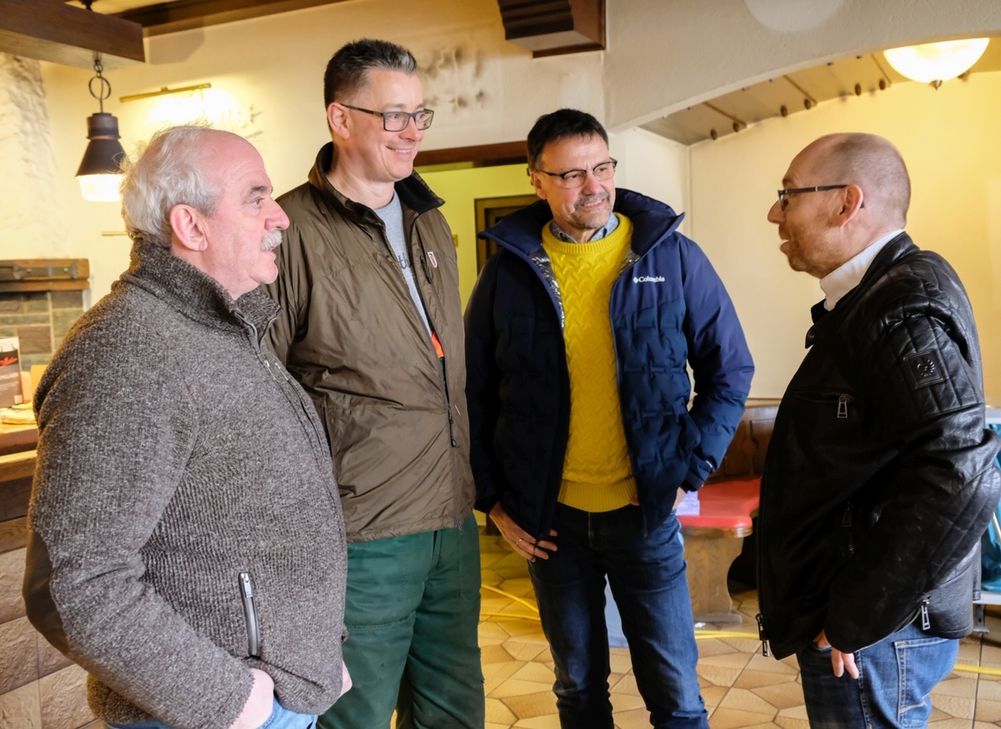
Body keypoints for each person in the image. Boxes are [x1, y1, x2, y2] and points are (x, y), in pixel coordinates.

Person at [22, 126, 349, 729]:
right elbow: (75, 584)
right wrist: (236, 701)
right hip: (209, 713)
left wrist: (312, 649)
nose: (280, 216)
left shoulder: (219, 328)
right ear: (191, 226)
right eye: (255, 197)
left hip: (277, 696)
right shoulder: (125, 351)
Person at [464, 108, 754, 729]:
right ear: (536, 181)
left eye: (602, 167)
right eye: (571, 174)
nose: (593, 186)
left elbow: (730, 370)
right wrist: (494, 502)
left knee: (677, 697)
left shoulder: (673, 256)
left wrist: (689, 468)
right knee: (577, 689)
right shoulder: (506, 273)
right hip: (551, 523)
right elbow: (472, 394)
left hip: (642, 512)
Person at [264, 39, 482, 729]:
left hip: (452, 519)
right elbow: (259, 391)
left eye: (420, 114)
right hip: (361, 535)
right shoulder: (288, 231)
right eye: (394, 116)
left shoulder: (429, 219)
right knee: (352, 716)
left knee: (455, 711)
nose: (412, 131)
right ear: (340, 118)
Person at [758, 132, 1001, 727]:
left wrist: (857, 615)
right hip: (871, 619)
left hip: (875, 633)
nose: (774, 213)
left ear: (847, 202)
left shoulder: (900, 304)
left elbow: (961, 472)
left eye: (788, 195)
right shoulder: (875, 296)